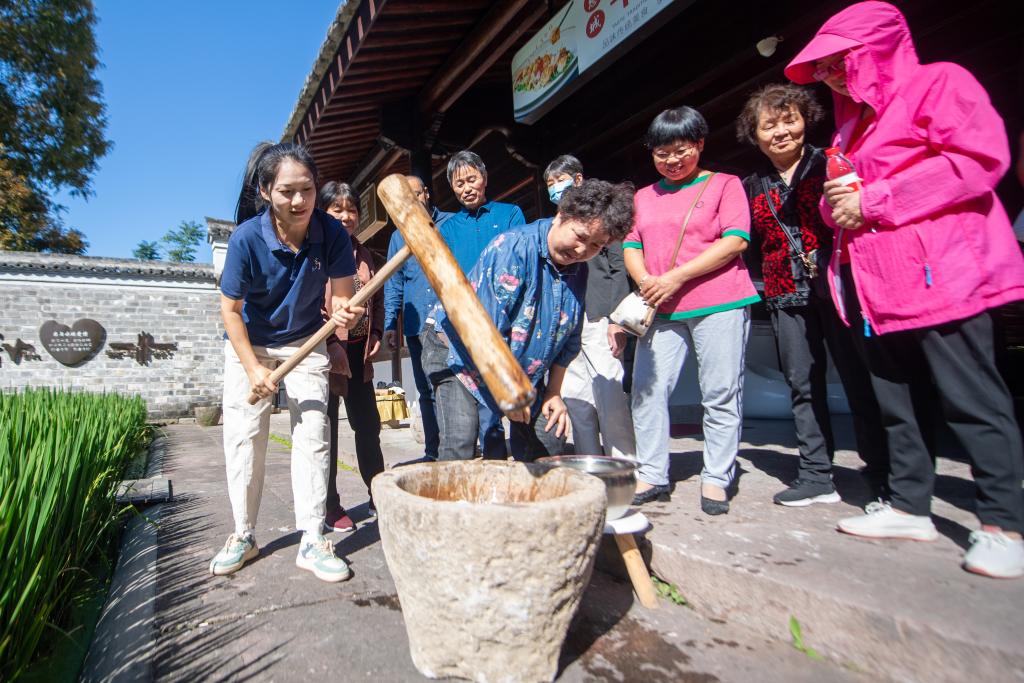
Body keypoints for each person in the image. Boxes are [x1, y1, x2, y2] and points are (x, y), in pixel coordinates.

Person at [786, 0, 1024, 578]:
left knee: (972, 401)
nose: (832, 75)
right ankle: (910, 505)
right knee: (897, 404)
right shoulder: (849, 124)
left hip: (943, 275)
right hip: (878, 288)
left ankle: (1003, 523)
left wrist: (875, 200)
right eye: (824, 68)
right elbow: (843, 195)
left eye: (840, 61)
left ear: (876, 49)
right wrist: (836, 203)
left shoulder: (940, 82)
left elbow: (978, 158)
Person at [210, 142, 362, 583]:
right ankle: (243, 534)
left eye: (308, 190)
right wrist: (254, 370)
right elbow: (230, 311)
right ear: (265, 191)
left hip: (304, 342)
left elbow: (342, 299)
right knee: (244, 437)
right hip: (249, 346)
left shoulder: (332, 235)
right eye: (287, 192)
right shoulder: (245, 240)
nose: (299, 201)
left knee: (314, 432)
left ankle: (313, 538)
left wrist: (344, 314)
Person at [736, 83, 888, 506]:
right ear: (755, 132)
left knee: (860, 380)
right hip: (785, 290)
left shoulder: (832, 163)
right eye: (769, 125)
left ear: (806, 120)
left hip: (839, 286)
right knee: (802, 384)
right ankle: (816, 474)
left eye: (790, 120)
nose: (781, 131)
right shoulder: (752, 185)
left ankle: (882, 475)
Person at [421, 179, 635, 462]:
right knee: (461, 443)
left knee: (548, 442)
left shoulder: (578, 269)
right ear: (562, 216)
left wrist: (553, 393)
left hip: (519, 366)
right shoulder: (514, 249)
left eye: (596, 245)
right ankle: (452, 506)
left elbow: (569, 338)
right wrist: (508, 393)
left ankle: (529, 504)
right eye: (580, 237)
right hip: (458, 350)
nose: (583, 251)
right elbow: (484, 334)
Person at [625, 106, 760, 515]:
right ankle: (652, 472)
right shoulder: (642, 196)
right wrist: (647, 279)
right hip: (661, 308)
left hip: (720, 302)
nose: (671, 160)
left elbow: (736, 241)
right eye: (661, 152)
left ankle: (717, 476)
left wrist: (675, 277)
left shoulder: (724, 184)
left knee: (720, 393)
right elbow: (631, 245)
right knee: (647, 391)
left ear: (700, 144)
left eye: (681, 150)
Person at [544, 155, 636, 459]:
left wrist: (616, 319)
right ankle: (590, 462)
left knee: (609, 395)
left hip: (600, 316)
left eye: (561, 180)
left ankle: (624, 463)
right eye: (550, 184)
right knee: (575, 396)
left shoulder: (604, 218)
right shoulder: (557, 226)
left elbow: (619, 268)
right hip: (568, 320)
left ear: (579, 179)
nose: (556, 188)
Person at [438, 150, 527, 458]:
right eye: (459, 183)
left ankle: (514, 461)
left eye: (472, 179)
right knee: (478, 397)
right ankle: (488, 463)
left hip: (506, 318)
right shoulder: (447, 229)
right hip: (466, 323)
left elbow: (521, 261)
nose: (466, 188)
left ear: (485, 178)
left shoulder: (510, 214)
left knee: (508, 394)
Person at [318, 181, 386, 530]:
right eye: (337, 209)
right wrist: (330, 345)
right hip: (328, 355)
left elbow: (377, 299)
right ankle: (329, 506)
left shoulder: (366, 256)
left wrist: (375, 334)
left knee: (368, 427)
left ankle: (379, 495)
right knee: (325, 432)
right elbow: (313, 307)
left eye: (351, 209)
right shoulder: (316, 253)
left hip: (359, 357)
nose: (346, 216)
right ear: (323, 213)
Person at [382, 176, 452, 462]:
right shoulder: (398, 235)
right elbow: (393, 282)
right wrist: (390, 323)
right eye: (406, 196)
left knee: (453, 386)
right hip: (416, 324)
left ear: (427, 194)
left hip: (447, 321)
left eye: (417, 193)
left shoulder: (450, 225)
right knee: (426, 391)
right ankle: (434, 451)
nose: (413, 200)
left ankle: (458, 447)